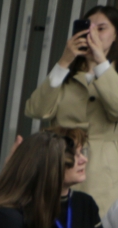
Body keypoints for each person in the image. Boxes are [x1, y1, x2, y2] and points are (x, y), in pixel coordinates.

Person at [25, 7, 118, 215]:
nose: (92, 34)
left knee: (98, 226)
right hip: (61, 164)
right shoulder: (67, 75)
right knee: (57, 223)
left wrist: (100, 63)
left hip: (105, 172)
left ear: (115, 35)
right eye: (87, 28)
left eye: (101, 28)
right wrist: (64, 61)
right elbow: (36, 110)